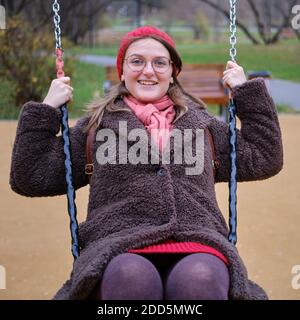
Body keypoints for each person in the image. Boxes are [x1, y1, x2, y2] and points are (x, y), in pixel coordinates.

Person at [10, 26, 283, 300]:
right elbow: (31, 175)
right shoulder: (96, 129)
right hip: (118, 243)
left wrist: (246, 92)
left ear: (173, 72)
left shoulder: (205, 127)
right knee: (130, 279)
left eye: (160, 63)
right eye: (137, 61)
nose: (148, 71)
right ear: (122, 72)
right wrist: (46, 109)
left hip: (198, 241)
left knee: (199, 279)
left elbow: (264, 155)